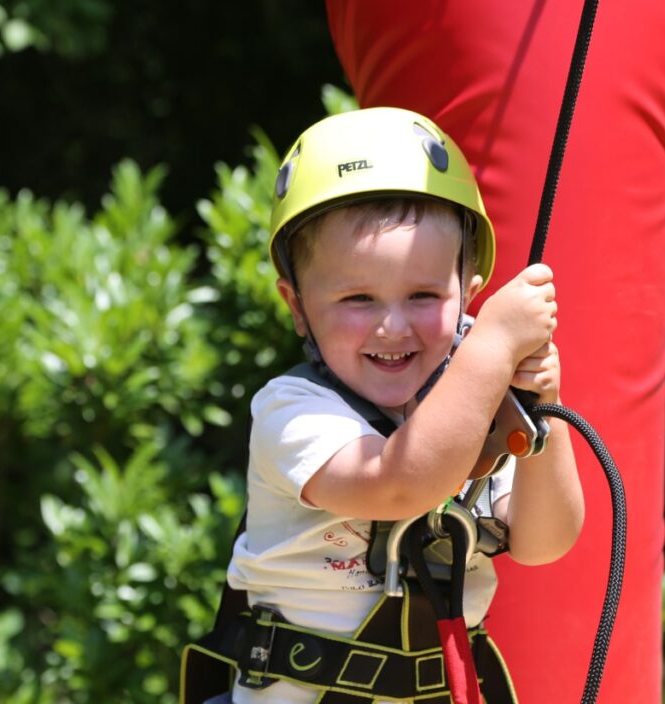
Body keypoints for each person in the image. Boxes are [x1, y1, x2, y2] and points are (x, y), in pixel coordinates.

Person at [223, 107, 584, 703]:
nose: (393, 326)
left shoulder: (479, 410)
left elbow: (545, 542)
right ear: (297, 305)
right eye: (358, 298)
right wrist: (493, 346)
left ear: (468, 296)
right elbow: (398, 485)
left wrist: (541, 408)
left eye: (423, 295)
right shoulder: (293, 412)